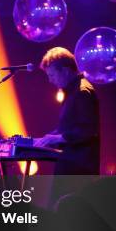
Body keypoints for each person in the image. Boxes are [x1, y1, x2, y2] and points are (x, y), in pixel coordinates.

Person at [35, 47, 101, 175]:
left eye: (52, 75)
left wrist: (56, 138)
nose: (50, 80)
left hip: (79, 169)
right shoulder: (72, 91)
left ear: (65, 71)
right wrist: (45, 139)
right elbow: (68, 128)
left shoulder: (82, 91)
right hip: (71, 164)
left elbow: (87, 130)